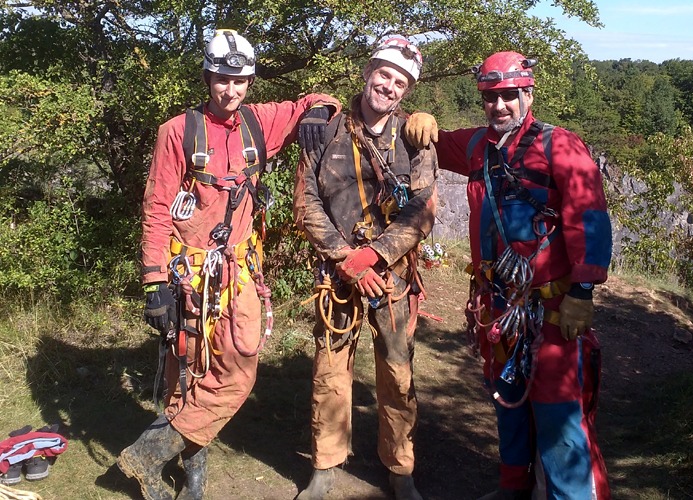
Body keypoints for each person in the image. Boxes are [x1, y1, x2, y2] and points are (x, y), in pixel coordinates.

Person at [117, 28, 340, 500]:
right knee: (188, 372)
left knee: (239, 370)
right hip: (188, 277)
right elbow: (157, 209)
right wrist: (153, 281)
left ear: (250, 82)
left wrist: (321, 109)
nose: (230, 90)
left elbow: (317, 100)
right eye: (222, 79)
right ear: (207, 77)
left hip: (239, 273)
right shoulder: (177, 132)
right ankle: (191, 476)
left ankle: (149, 452)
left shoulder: (260, 123)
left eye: (240, 81)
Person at [404, 51, 612, 499]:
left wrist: (582, 290)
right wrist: (416, 116)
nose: (499, 106)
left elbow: (588, 215)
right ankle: (513, 489)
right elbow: (430, 138)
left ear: (527, 94)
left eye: (508, 96)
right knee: (509, 403)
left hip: (552, 308)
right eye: (490, 98)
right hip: (498, 306)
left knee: (560, 416)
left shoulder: (560, 145)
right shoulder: (479, 145)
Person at [293, 37, 438, 500]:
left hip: (391, 274)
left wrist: (376, 255)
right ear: (368, 71)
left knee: (397, 371)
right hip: (337, 275)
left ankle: (400, 469)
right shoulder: (325, 130)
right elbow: (306, 202)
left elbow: (422, 209)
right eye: (385, 74)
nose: (389, 87)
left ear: (406, 91)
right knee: (330, 368)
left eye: (400, 82)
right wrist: (345, 257)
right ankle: (326, 463)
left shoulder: (414, 138)